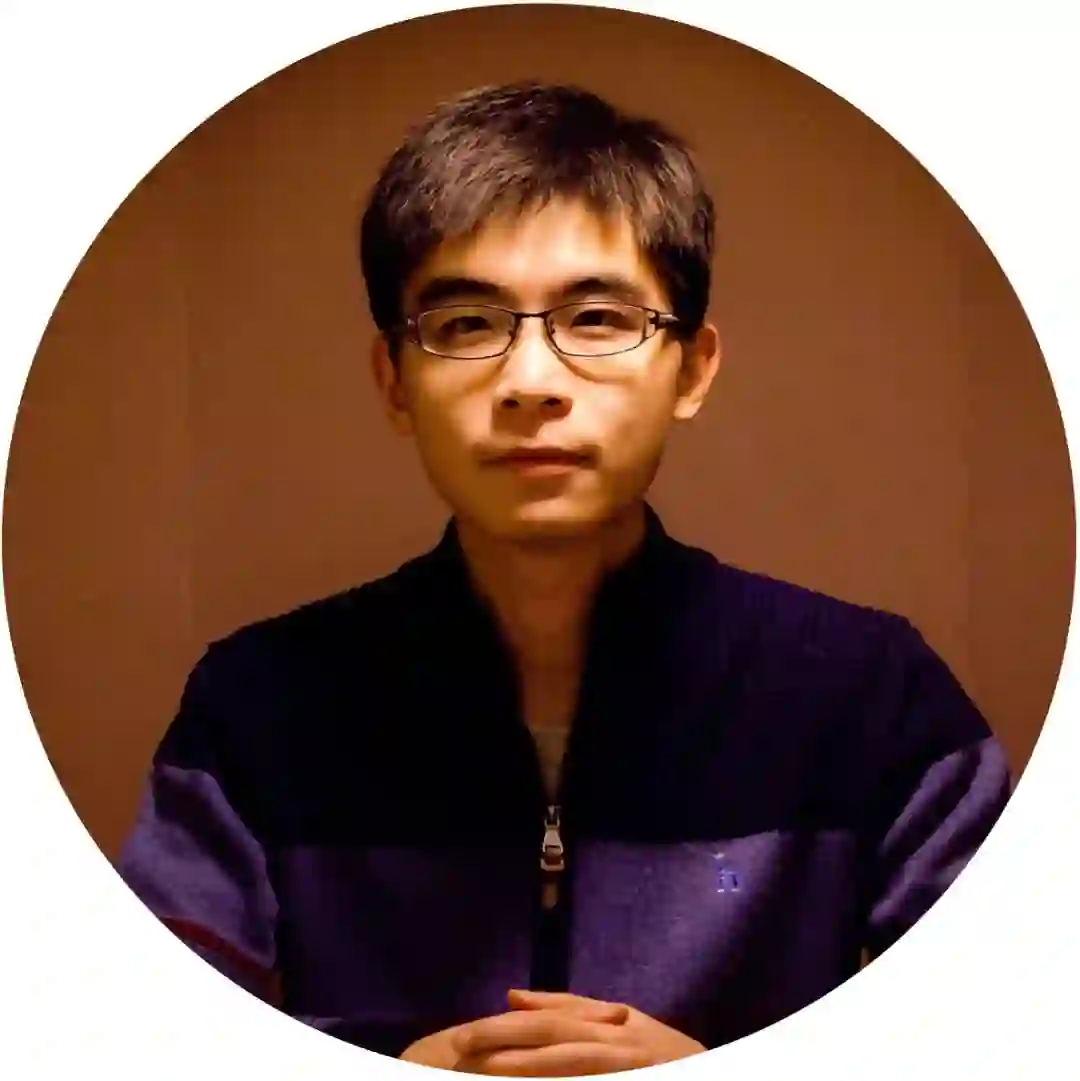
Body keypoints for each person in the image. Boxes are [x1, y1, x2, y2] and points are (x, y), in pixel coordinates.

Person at [117, 81, 1012, 1074]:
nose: (532, 381)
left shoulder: (871, 695)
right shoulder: (258, 707)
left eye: (596, 317)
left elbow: (1021, 1025)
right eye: (465, 322)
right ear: (394, 381)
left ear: (693, 367)